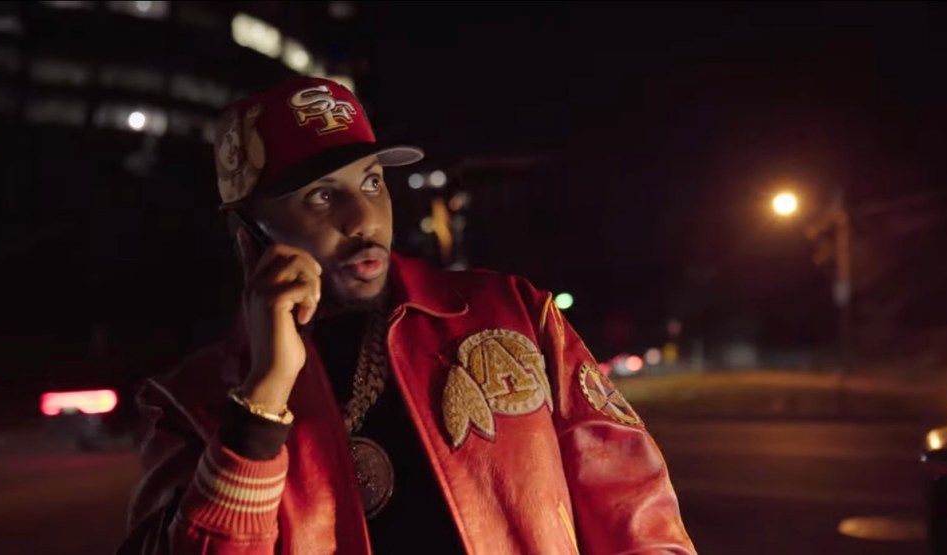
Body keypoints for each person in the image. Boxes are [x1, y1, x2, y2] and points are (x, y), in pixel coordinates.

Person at [119, 76, 695, 555]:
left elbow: (637, 511)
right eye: (322, 195)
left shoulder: (512, 311)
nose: (364, 217)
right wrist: (262, 400)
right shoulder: (188, 402)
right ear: (248, 236)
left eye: (372, 181)